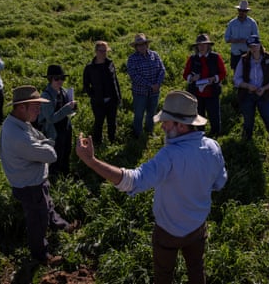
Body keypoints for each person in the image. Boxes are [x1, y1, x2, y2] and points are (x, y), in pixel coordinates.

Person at [76, 90, 228, 284]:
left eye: (166, 121)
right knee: (197, 269)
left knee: (163, 275)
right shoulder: (213, 147)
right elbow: (220, 182)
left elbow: (132, 181)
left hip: (168, 231)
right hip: (198, 227)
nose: (162, 126)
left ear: (181, 125)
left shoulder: (169, 156)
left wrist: (91, 161)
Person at [0, 85, 79, 266]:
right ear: (21, 107)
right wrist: (46, 144)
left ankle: (62, 225)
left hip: (34, 180)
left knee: (47, 205)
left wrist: (43, 143)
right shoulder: (18, 136)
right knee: (38, 218)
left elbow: (41, 137)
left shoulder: (18, 123)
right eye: (35, 106)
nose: (39, 110)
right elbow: (51, 155)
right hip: (29, 185)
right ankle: (40, 255)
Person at [233, 35, 269, 159]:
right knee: (248, 123)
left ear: (260, 45)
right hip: (248, 95)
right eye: (251, 46)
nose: (254, 49)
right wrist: (248, 86)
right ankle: (246, 152)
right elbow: (236, 79)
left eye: (255, 45)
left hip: (264, 96)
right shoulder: (244, 60)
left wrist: (264, 88)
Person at [183, 34, 227, 137]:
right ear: (197, 47)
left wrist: (214, 78)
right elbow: (185, 74)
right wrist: (192, 78)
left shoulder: (216, 57)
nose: (202, 47)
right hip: (197, 94)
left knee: (214, 115)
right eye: (200, 45)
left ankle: (215, 135)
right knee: (199, 116)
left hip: (212, 92)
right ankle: (200, 135)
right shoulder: (192, 58)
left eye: (204, 45)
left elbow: (223, 73)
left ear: (208, 46)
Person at [38, 65, 77, 176]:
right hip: (54, 131)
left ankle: (66, 173)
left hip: (65, 126)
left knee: (67, 150)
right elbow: (50, 119)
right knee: (57, 154)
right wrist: (67, 109)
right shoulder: (46, 96)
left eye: (62, 78)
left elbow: (66, 110)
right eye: (56, 78)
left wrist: (73, 107)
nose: (60, 81)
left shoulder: (63, 91)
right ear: (50, 79)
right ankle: (54, 177)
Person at [126, 33, 166, 138]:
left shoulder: (154, 55)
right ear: (136, 47)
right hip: (140, 92)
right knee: (139, 114)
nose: (142, 46)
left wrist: (158, 83)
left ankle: (149, 131)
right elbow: (134, 76)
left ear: (147, 44)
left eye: (143, 44)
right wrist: (150, 85)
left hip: (155, 91)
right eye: (139, 45)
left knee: (151, 113)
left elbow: (162, 69)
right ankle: (137, 134)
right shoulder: (132, 59)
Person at [83, 40, 122, 144]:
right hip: (98, 102)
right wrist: (94, 96)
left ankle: (112, 140)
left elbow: (115, 81)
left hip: (112, 99)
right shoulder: (90, 67)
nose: (104, 53)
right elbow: (86, 85)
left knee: (112, 122)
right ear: (96, 51)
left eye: (105, 51)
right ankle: (97, 143)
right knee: (98, 122)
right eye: (101, 51)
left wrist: (118, 97)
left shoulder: (110, 63)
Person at [224, 0, 259, 72]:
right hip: (235, 52)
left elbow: (256, 38)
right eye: (240, 10)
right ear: (238, 10)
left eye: (244, 11)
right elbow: (226, 38)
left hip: (248, 53)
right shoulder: (232, 23)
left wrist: (248, 41)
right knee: (236, 72)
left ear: (247, 12)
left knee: (248, 72)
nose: (242, 12)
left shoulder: (252, 22)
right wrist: (237, 40)